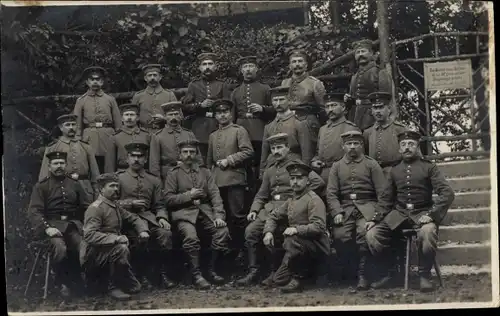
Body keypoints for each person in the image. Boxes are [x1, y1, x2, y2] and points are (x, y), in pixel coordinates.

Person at [366, 131, 455, 292]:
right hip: (398, 214)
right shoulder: (394, 170)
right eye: (404, 145)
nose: (407, 148)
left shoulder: (429, 167)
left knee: (427, 232)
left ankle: (424, 275)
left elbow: (447, 193)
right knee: (372, 235)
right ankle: (392, 273)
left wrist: (431, 215)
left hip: (422, 213)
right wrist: (375, 218)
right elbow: (386, 199)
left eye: (411, 144)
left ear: (417, 146)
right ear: (399, 148)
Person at [235, 133, 325, 286]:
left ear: (287, 148)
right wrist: (254, 210)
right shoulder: (270, 170)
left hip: (289, 209)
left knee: (280, 234)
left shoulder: (297, 166)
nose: (276, 151)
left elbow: (319, 182)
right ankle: (254, 271)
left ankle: (277, 271)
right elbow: (262, 194)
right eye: (273, 148)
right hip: (270, 209)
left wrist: (297, 197)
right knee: (251, 231)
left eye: (279, 148)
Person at [164, 138, 231, 289]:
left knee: (222, 232)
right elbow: (168, 199)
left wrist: (219, 216)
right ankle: (196, 274)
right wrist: (189, 195)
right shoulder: (173, 174)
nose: (188, 155)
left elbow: (215, 195)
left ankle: (210, 269)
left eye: (192, 152)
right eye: (185, 152)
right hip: (183, 214)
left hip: (205, 212)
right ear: (180, 155)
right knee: (191, 237)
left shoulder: (205, 172)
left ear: (196, 154)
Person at [326, 131, 386, 290]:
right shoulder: (337, 166)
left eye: (356, 144)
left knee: (363, 234)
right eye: (349, 144)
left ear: (362, 145)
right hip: (345, 209)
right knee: (340, 235)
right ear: (343, 146)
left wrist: (376, 215)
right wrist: (337, 211)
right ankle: (349, 272)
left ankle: (363, 275)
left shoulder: (371, 164)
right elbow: (331, 193)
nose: (352, 147)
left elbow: (382, 193)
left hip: (367, 207)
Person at [28, 151, 92, 297]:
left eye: (62, 163)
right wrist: (47, 228)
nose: (59, 166)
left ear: (66, 165)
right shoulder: (41, 186)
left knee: (83, 246)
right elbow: (34, 212)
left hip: (72, 226)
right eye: (55, 164)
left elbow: (86, 207)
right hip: (51, 227)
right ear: (49, 166)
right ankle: (62, 282)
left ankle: (78, 280)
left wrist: (88, 224)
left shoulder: (75, 184)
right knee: (60, 249)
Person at [80, 173, 150, 300]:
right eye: (111, 186)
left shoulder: (114, 205)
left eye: (117, 186)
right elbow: (89, 235)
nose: (116, 189)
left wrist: (143, 230)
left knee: (134, 242)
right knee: (121, 248)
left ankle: (125, 278)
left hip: (109, 251)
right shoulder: (95, 208)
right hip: (94, 255)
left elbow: (133, 217)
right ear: (101, 189)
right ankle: (112, 286)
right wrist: (115, 239)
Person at [116, 142, 175, 290]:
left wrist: (162, 217)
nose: (136, 159)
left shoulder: (153, 180)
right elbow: (111, 202)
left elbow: (160, 205)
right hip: (125, 220)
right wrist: (130, 203)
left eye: (140, 156)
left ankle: (160, 273)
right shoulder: (118, 178)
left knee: (165, 235)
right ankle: (139, 275)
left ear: (145, 159)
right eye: (133, 156)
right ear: (127, 158)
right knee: (139, 240)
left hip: (149, 219)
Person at [263, 162, 330, 293]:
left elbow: (319, 227)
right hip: (298, 245)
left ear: (307, 180)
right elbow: (273, 216)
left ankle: (299, 279)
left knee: (291, 238)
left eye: (299, 178)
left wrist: (297, 229)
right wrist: (268, 232)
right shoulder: (292, 200)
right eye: (292, 178)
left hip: (317, 246)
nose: (295, 182)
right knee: (278, 280)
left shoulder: (313, 199)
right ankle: (281, 273)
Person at [207, 99, 254, 257]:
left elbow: (248, 151)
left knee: (237, 215)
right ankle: (224, 252)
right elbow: (209, 162)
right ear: (215, 116)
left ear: (231, 113)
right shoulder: (213, 136)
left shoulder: (239, 130)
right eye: (219, 113)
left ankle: (241, 251)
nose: (222, 115)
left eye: (225, 112)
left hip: (235, 179)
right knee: (221, 215)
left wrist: (229, 160)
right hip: (217, 181)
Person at [231, 54, 274, 193]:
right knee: (244, 165)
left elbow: (275, 109)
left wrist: (263, 109)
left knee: (260, 163)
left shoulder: (265, 89)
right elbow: (232, 115)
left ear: (256, 69)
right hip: (241, 131)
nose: (248, 70)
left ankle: (260, 191)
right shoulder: (236, 91)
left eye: (251, 66)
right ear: (241, 71)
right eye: (245, 67)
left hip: (259, 131)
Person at [181, 52, 232, 162]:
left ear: (215, 66)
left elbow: (229, 106)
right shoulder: (194, 85)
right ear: (200, 67)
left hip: (218, 125)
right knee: (201, 160)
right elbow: (185, 107)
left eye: (210, 64)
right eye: (204, 64)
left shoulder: (222, 84)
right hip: (199, 128)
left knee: (219, 157)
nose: (207, 67)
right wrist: (200, 105)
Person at [39, 114, 100, 201]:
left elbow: (95, 173)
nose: (71, 127)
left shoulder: (85, 146)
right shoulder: (52, 147)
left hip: (85, 189)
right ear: (61, 128)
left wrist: (96, 193)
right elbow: (44, 174)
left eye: (73, 124)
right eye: (67, 125)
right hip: (62, 188)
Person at [73, 66, 121, 172]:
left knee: (109, 165)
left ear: (102, 82)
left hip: (108, 135)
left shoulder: (110, 99)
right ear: (87, 82)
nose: (95, 82)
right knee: (91, 164)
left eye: (98, 79)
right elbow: (77, 123)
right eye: (92, 79)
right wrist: (78, 139)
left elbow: (118, 123)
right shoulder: (81, 100)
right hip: (89, 136)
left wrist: (118, 138)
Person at [281, 49, 327, 154]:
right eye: (294, 61)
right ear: (289, 66)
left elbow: (323, 109)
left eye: (300, 61)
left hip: (308, 124)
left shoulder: (314, 83)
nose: (297, 64)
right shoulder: (285, 83)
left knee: (307, 155)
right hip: (287, 124)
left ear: (306, 65)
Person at [260, 86, 313, 175]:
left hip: (293, 167)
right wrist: (262, 172)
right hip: (273, 168)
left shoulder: (299, 123)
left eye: (281, 100)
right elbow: (264, 154)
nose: (278, 103)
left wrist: (304, 171)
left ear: (289, 100)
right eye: (275, 100)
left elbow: (306, 152)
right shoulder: (268, 127)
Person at [311, 93, 360, 186]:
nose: (330, 110)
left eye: (334, 105)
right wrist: (314, 161)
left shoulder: (351, 128)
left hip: (343, 176)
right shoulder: (323, 129)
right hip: (323, 176)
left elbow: (357, 157)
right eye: (327, 106)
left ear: (343, 107)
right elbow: (318, 152)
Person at [344, 39, 393, 131]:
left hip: (373, 117)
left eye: (363, 51)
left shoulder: (380, 72)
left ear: (371, 54)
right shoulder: (354, 76)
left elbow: (387, 99)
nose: (360, 54)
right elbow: (353, 98)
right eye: (357, 52)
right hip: (355, 116)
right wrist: (348, 100)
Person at [149, 101, 198, 183]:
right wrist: (157, 183)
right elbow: (154, 164)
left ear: (180, 116)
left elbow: (198, 159)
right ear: (165, 117)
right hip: (167, 176)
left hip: (189, 175)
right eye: (170, 115)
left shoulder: (189, 134)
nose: (173, 117)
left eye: (176, 114)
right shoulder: (157, 136)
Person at [363, 92, 407, 177]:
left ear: (389, 109)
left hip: (396, 173)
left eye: (381, 107)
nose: (378, 111)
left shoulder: (400, 129)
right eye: (375, 108)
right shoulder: (368, 132)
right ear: (372, 111)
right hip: (374, 174)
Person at [104, 103, 151, 173]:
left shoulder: (147, 135)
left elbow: (152, 159)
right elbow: (110, 163)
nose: (129, 118)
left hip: (144, 173)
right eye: (126, 115)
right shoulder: (115, 137)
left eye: (132, 115)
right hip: (122, 173)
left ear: (137, 118)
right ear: (122, 118)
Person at [131, 64, 178, 132]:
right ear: (145, 78)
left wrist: (165, 119)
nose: (152, 78)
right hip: (144, 133)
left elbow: (179, 117)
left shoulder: (169, 95)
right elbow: (133, 117)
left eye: (155, 75)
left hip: (165, 131)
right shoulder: (138, 96)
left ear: (160, 77)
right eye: (149, 75)